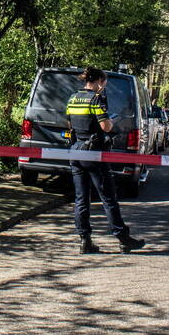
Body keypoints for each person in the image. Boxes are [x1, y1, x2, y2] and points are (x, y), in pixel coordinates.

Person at [65, 67, 146, 255]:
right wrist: (112, 121)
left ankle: (85, 240)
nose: (104, 87)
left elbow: (69, 123)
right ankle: (123, 238)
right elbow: (106, 127)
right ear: (99, 81)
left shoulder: (72, 98)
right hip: (94, 154)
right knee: (108, 198)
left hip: (75, 151)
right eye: (104, 83)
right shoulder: (96, 99)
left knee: (81, 198)